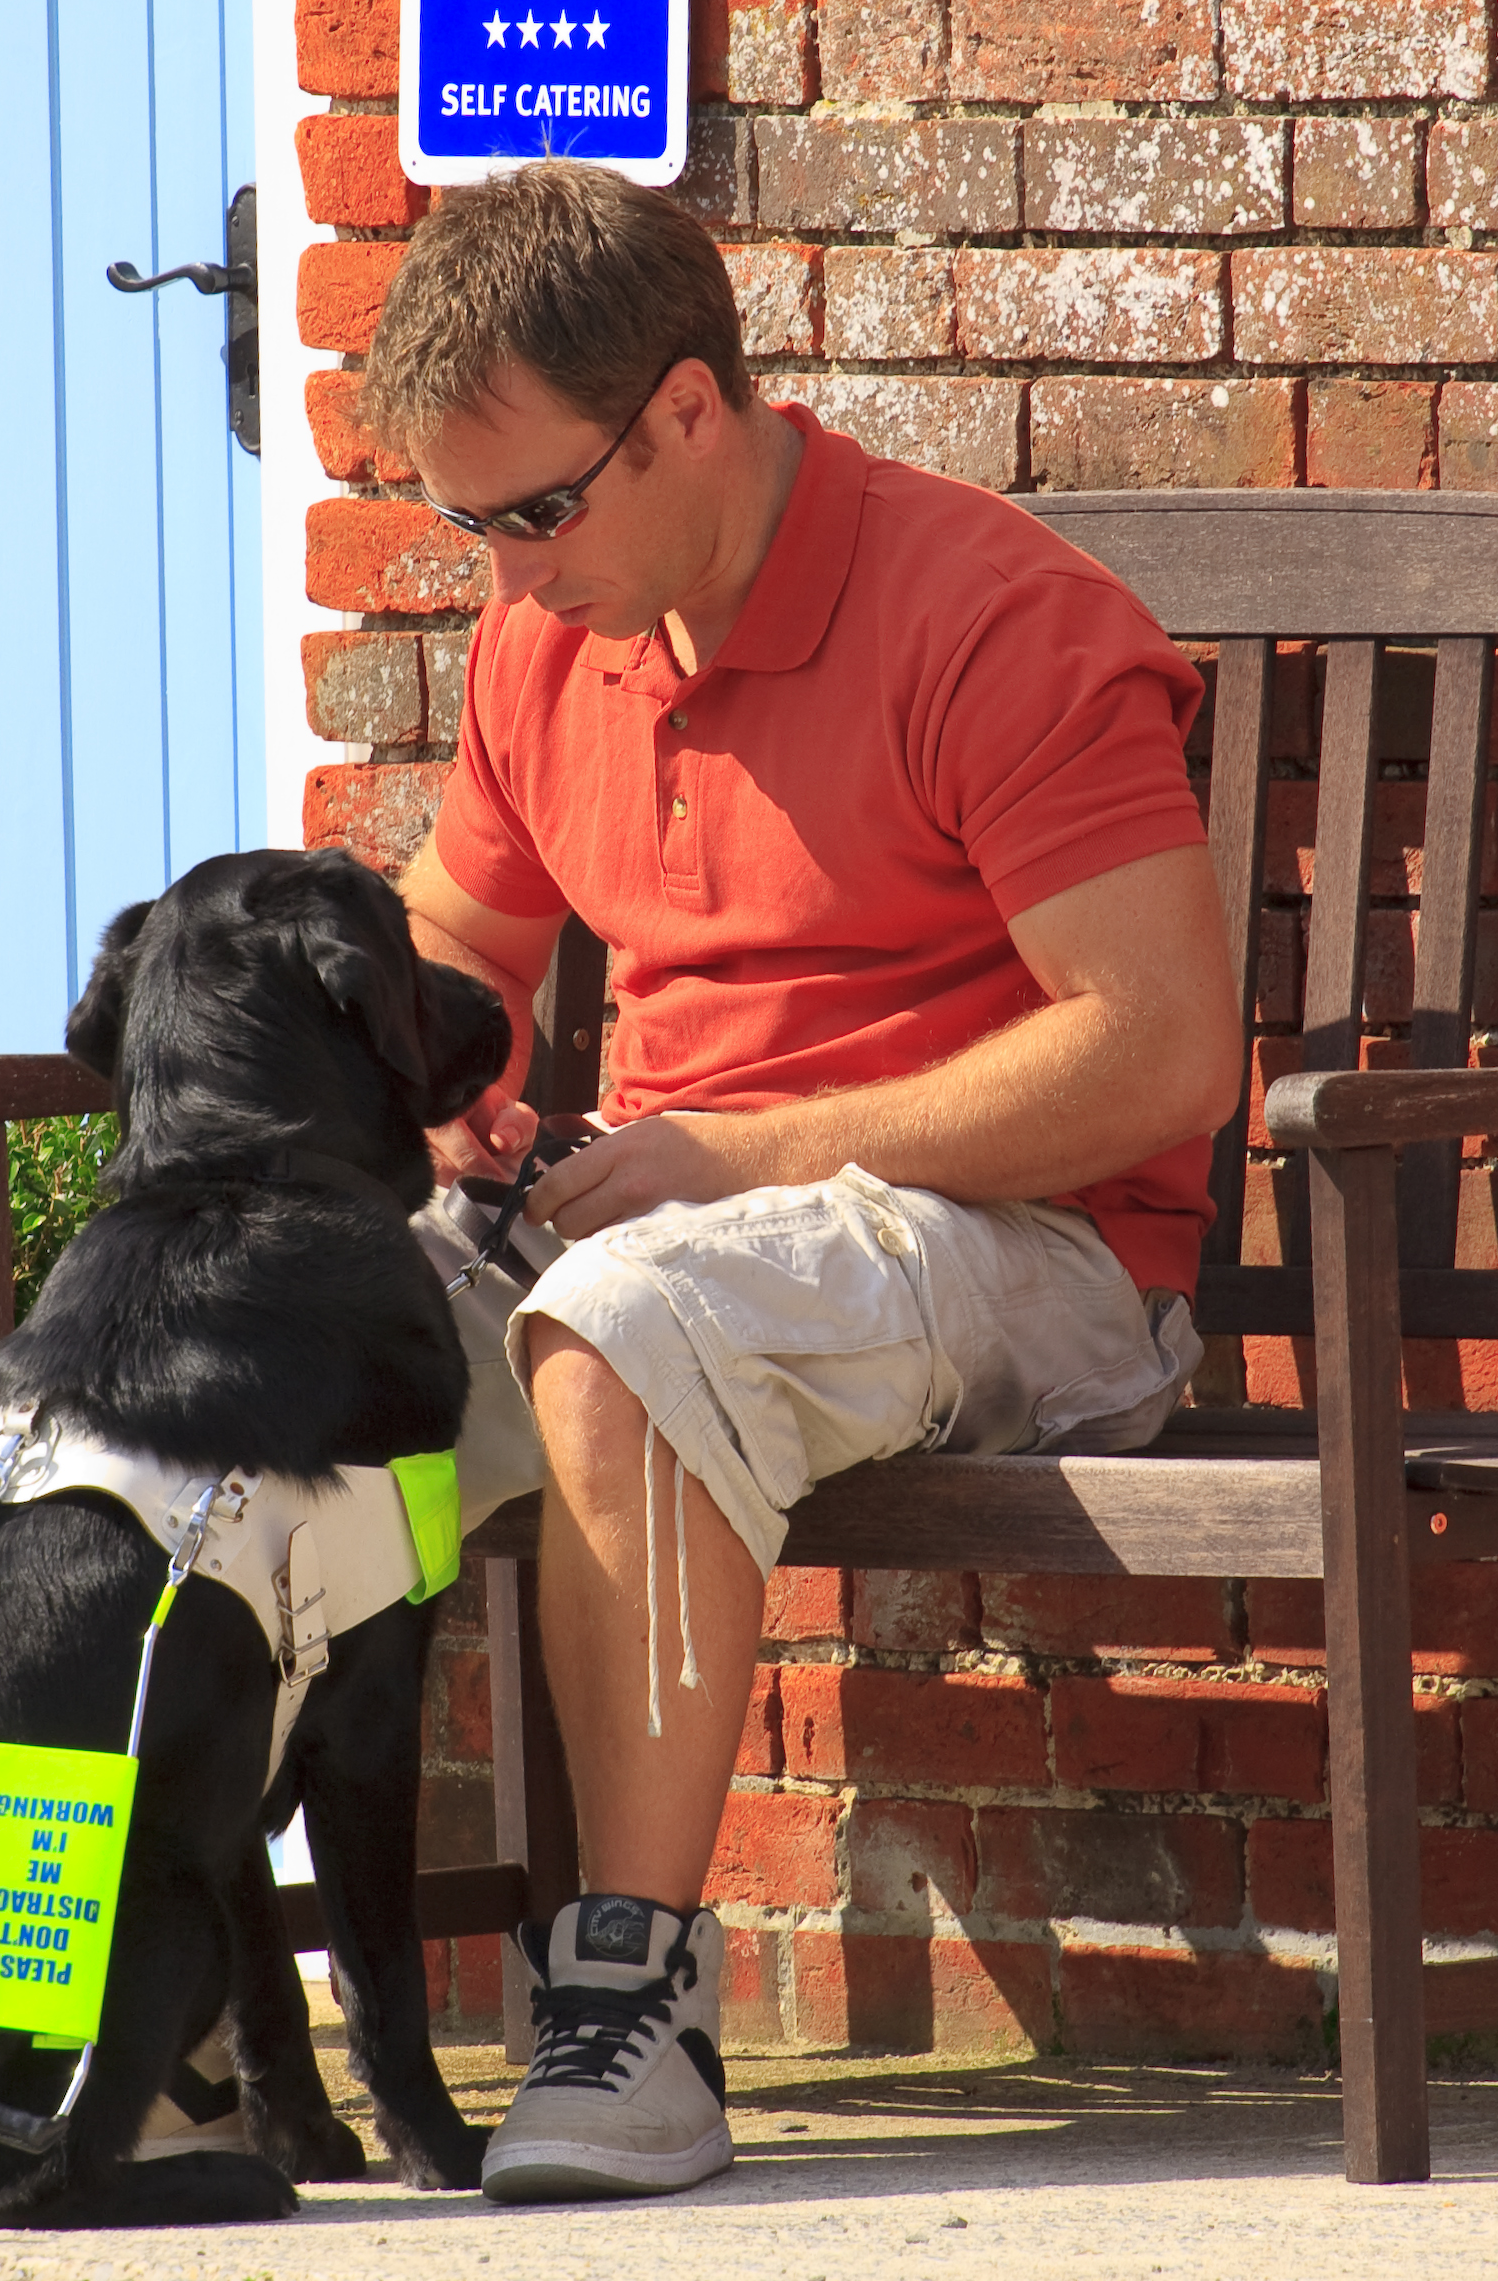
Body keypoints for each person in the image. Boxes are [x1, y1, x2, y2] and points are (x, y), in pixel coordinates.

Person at [356, 163, 1243, 2204]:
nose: (504, 580)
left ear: (681, 412)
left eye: (531, 514)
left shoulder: (990, 618)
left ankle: (627, 2010)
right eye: (463, 528)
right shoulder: (547, 648)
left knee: (626, 1321)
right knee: (263, 1347)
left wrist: (740, 1154)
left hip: (1035, 1254)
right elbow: (449, 946)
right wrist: (441, 1089)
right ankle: (170, 1989)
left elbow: (1155, 1050)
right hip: (668, 1222)